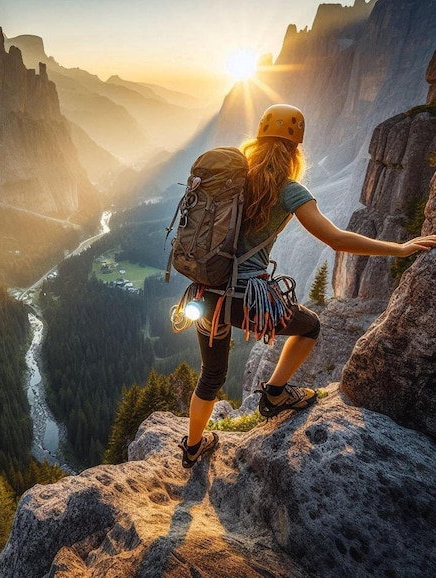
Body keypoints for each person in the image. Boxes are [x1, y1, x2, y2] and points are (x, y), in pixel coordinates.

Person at [179, 103, 436, 468]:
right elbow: (337, 239)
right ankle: (275, 394)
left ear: (258, 140)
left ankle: (192, 447)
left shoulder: (233, 177)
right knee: (310, 325)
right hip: (245, 299)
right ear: (295, 149)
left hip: (205, 292)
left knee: (211, 374)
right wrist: (399, 247)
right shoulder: (289, 190)